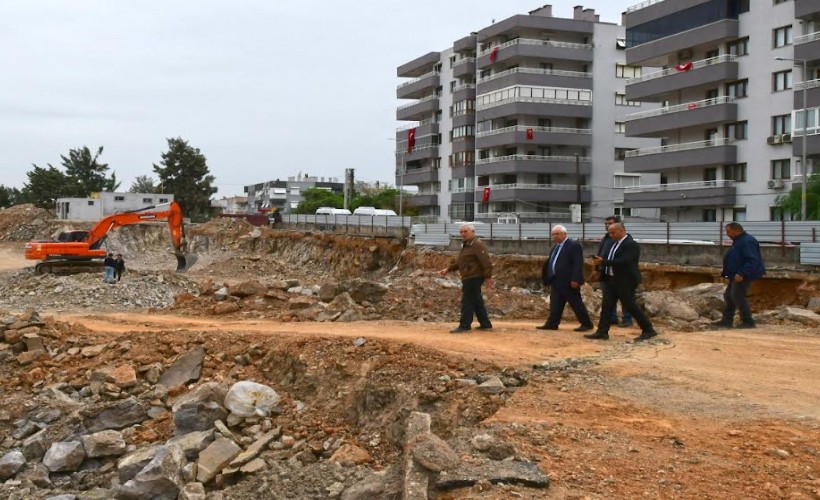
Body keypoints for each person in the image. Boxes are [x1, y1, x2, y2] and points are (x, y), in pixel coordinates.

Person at [587, 223, 659, 342]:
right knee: (607, 306)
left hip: (625, 281)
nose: (610, 235)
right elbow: (609, 259)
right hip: (611, 279)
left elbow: (624, 261)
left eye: (613, 232)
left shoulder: (631, 244)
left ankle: (648, 329)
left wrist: (604, 262)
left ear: (621, 231)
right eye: (609, 232)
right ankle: (602, 331)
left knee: (630, 305)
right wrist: (600, 269)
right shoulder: (614, 244)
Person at [536, 225, 594, 332]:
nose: (555, 236)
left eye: (557, 234)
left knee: (576, 303)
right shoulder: (556, 247)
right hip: (556, 280)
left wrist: (576, 279)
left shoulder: (573, 246)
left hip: (569, 280)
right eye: (553, 234)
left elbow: (578, 264)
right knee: (555, 302)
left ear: (564, 234)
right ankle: (552, 323)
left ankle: (586, 324)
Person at [438, 223, 494, 333]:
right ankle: (485, 324)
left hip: (474, 276)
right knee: (477, 300)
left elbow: (486, 261)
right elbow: (460, 262)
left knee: (467, 300)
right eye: (461, 232)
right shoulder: (466, 245)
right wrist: (448, 269)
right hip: (468, 276)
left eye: (465, 231)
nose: (463, 234)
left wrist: (488, 277)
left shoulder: (477, 244)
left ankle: (464, 325)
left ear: (473, 232)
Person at [713, 222, 765, 329]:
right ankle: (727, 320)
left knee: (737, 296)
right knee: (729, 295)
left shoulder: (747, 241)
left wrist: (742, 273)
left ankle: (748, 321)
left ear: (736, 230)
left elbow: (751, 260)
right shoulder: (739, 241)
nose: (727, 234)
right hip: (736, 274)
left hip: (743, 275)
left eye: (728, 231)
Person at [590, 215, 633, 327]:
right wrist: (596, 269)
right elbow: (600, 254)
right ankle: (612, 318)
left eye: (610, 223)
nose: (607, 226)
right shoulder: (606, 239)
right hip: (606, 273)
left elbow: (624, 260)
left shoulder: (625, 241)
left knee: (625, 298)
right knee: (608, 298)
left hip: (620, 275)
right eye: (606, 224)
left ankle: (627, 319)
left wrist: (604, 262)